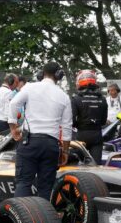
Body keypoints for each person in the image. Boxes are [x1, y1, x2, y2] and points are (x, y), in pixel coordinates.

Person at [8, 62, 73, 201]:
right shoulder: (64, 96)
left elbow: (13, 103)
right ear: (59, 76)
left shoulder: (30, 87)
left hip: (30, 142)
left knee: (24, 182)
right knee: (45, 187)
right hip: (51, 145)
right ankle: (44, 221)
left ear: (41, 74)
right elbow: (67, 127)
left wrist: (13, 128)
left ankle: (20, 220)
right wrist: (66, 152)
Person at [71, 70, 108, 164]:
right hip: (97, 135)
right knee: (95, 167)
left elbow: (72, 121)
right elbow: (104, 121)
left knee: (77, 165)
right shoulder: (102, 99)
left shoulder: (76, 99)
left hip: (81, 135)